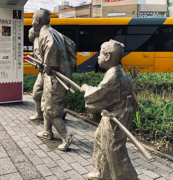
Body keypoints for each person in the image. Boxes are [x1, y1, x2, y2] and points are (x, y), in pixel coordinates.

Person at [81, 40, 138, 180]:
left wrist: (86, 88)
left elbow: (98, 94)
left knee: (115, 149)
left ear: (107, 57)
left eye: (100, 53)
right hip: (114, 115)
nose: (98, 56)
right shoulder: (119, 73)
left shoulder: (114, 76)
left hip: (116, 118)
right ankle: (104, 173)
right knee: (100, 141)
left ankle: (129, 178)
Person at [32, 9, 76, 151]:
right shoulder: (55, 32)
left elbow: (51, 48)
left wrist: (49, 65)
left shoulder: (46, 34)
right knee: (45, 103)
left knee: (51, 109)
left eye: (33, 19)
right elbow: (72, 45)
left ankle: (66, 137)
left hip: (55, 77)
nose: (32, 22)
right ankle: (47, 132)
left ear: (37, 21)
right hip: (58, 74)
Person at [28, 27, 44, 121]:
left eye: (29, 33)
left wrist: (38, 63)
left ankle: (39, 114)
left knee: (36, 93)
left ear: (33, 34)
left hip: (43, 73)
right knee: (46, 94)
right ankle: (60, 112)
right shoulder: (38, 41)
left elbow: (40, 57)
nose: (28, 35)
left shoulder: (37, 41)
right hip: (43, 72)